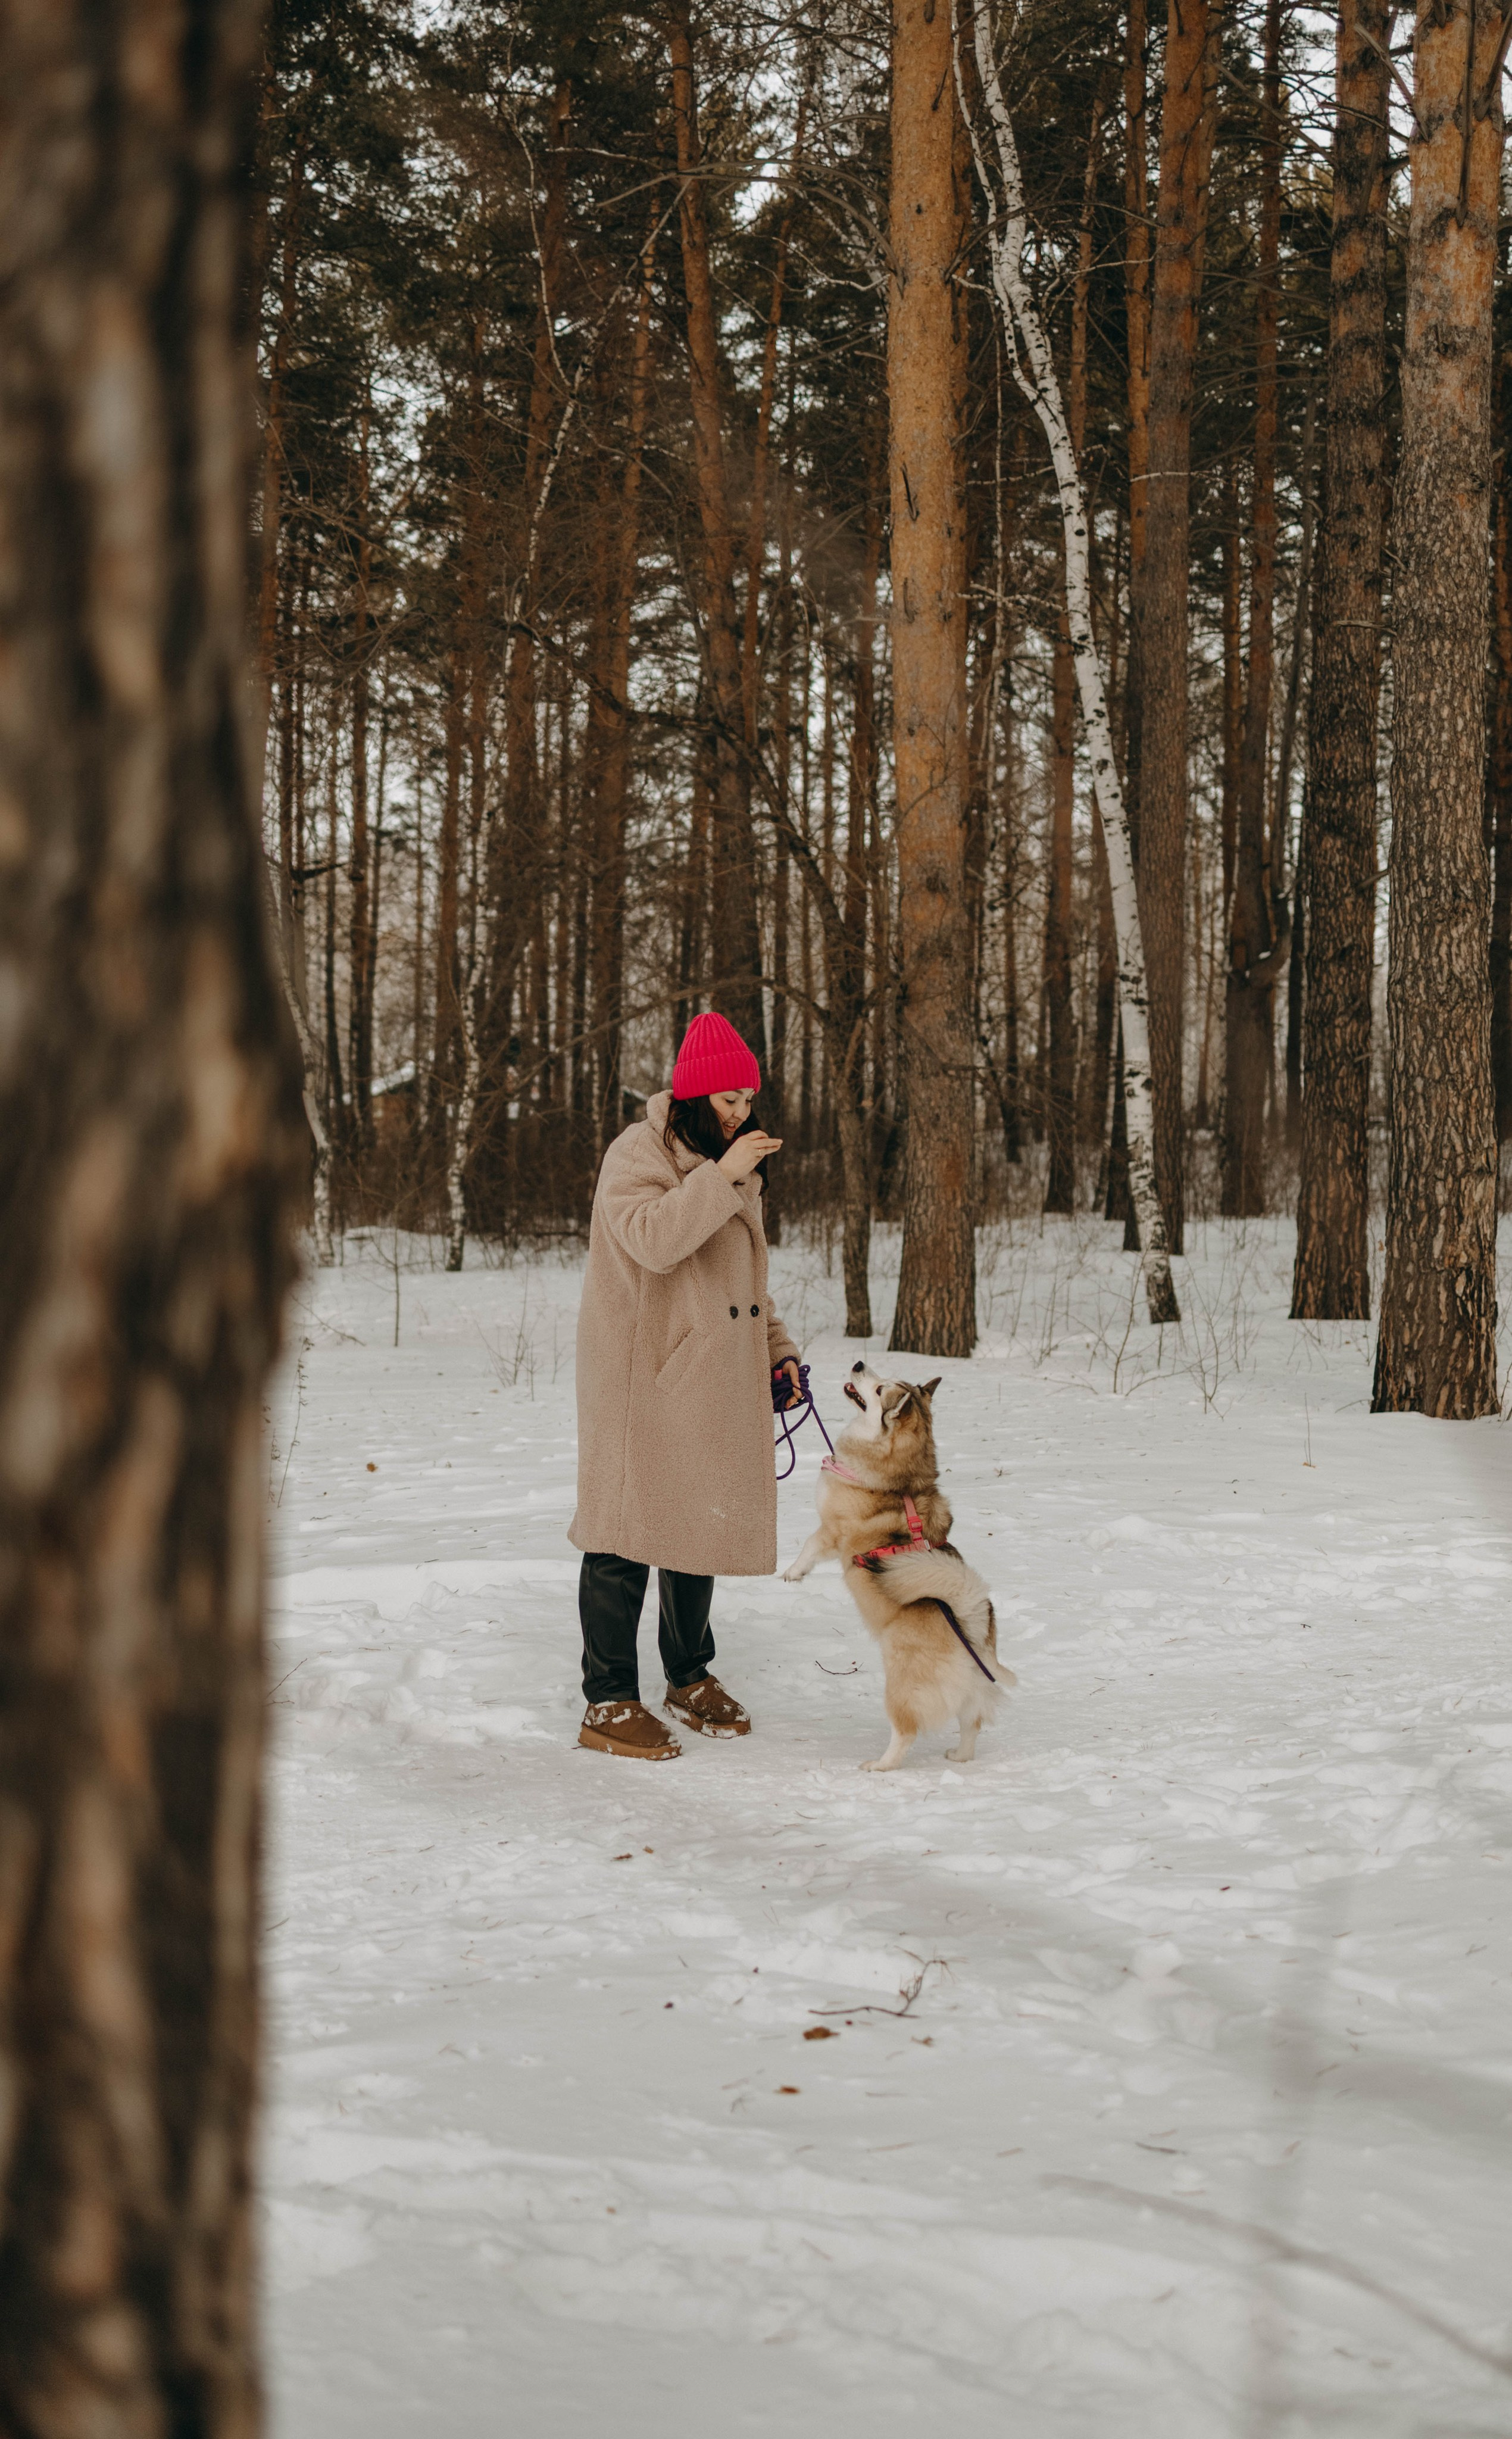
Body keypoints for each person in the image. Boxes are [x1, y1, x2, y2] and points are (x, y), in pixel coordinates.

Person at [568, 1011, 802, 1760]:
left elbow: (743, 1275)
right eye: (729, 1097)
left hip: (712, 1374)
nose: (741, 1111)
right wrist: (724, 1176)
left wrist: (777, 1351)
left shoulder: (722, 1157)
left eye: (747, 1098)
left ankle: (688, 1676)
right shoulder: (636, 1153)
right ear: (695, 1095)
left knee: (697, 1523)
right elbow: (655, 1241)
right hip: (644, 1375)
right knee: (623, 1530)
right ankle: (606, 1701)